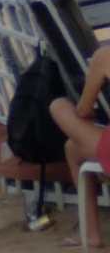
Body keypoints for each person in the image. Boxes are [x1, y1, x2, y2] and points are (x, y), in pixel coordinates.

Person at [50, 47, 110, 248]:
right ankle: (89, 232)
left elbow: (84, 111)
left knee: (58, 105)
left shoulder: (105, 56)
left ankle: (91, 234)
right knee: (72, 148)